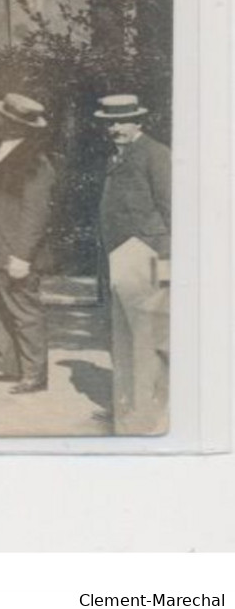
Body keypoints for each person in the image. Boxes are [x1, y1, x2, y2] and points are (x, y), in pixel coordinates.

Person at [0, 92, 56, 394]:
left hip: (14, 252)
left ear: (16, 126)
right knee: (1, 308)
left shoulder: (35, 162)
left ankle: (34, 375)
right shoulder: (5, 150)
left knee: (24, 311)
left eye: (2, 118)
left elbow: (36, 214)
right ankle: (6, 365)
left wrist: (23, 256)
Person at [94, 93, 172, 434]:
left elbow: (173, 208)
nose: (115, 128)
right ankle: (127, 412)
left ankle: (150, 417)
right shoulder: (116, 157)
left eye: (122, 121)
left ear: (139, 121)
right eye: (109, 122)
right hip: (121, 257)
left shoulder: (156, 154)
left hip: (149, 254)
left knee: (149, 338)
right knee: (124, 338)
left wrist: (168, 262)